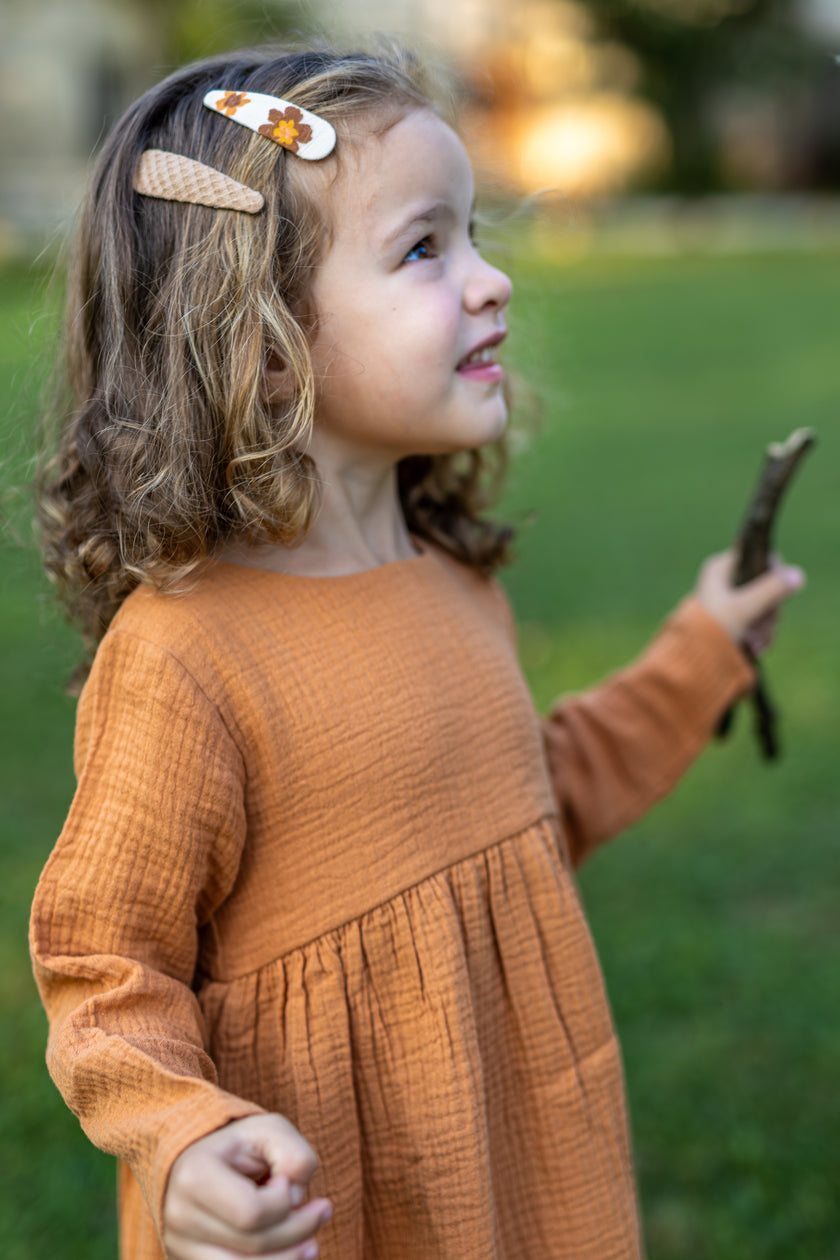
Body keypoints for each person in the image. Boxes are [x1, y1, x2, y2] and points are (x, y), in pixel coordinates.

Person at [29, 41, 804, 1260]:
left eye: (475, 235)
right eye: (424, 248)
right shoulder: (187, 656)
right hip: (337, 1201)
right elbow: (103, 960)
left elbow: (530, 805)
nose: (493, 283)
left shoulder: (449, 581)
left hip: (511, 1171)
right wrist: (182, 1134)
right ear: (261, 332)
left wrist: (702, 651)